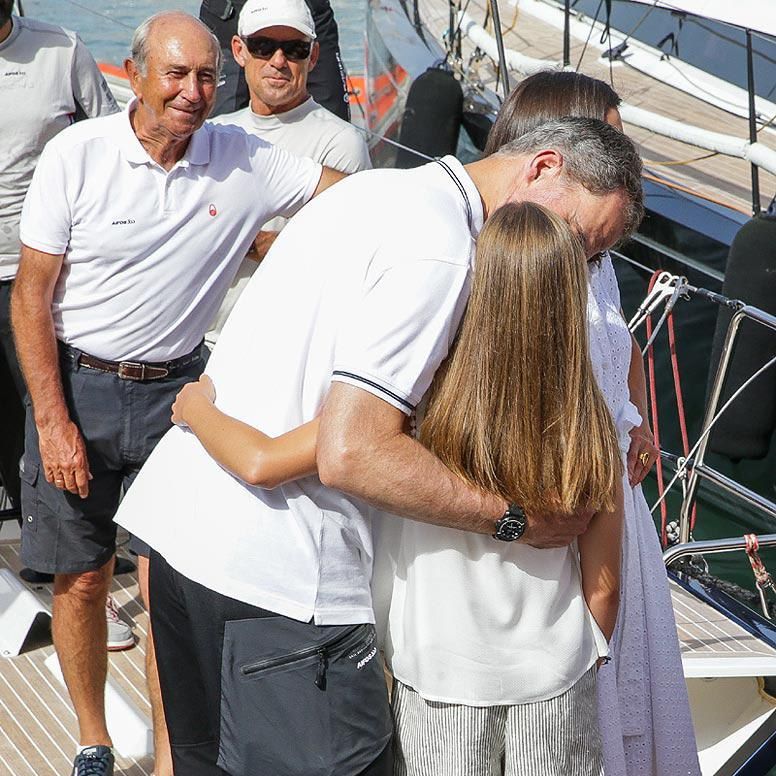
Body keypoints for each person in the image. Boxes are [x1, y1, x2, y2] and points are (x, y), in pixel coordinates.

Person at [115, 115, 643, 775]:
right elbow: (353, 451)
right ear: (541, 167)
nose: (581, 267)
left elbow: (281, 445)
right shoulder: (447, 252)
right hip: (286, 580)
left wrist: (195, 406)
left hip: (185, 534)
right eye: (581, 242)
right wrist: (515, 520)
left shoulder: (371, 194)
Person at [11, 11, 342, 776]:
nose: (195, 93)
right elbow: (31, 296)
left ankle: (169, 754)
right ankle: (94, 739)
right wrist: (53, 420)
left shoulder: (245, 158)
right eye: (176, 75)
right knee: (84, 575)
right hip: (79, 388)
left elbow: (350, 200)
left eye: (206, 77)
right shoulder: (77, 156)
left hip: (182, 399)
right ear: (134, 75)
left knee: (175, 587)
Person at [481, 70, 700, 776]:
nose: (623, 144)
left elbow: (622, 342)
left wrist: (635, 419)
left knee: (631, 684)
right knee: (590, 681)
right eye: (609, 128)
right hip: (569, 496)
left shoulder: (594, 251)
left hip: (616, 497)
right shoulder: (531, 252)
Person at [0, 0, 116, 535]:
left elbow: (115, 143)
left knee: (45, 402)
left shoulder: (62, 50)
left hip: (38, 270)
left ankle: (57, 538)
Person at [206, 0, 371, 343]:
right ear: (239, 51)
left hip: (283, 345)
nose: (278, 61)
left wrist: (254, 242)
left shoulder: (341, 143)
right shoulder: (214, 131)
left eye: (294, 49)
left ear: (312, 58)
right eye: (263, 47)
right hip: (202, 343)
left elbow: (352, 252)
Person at [200, 0, 350, 120]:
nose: (278, 61)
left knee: (334, 117)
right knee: (218, 125)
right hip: (229, 14)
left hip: (308, 12)